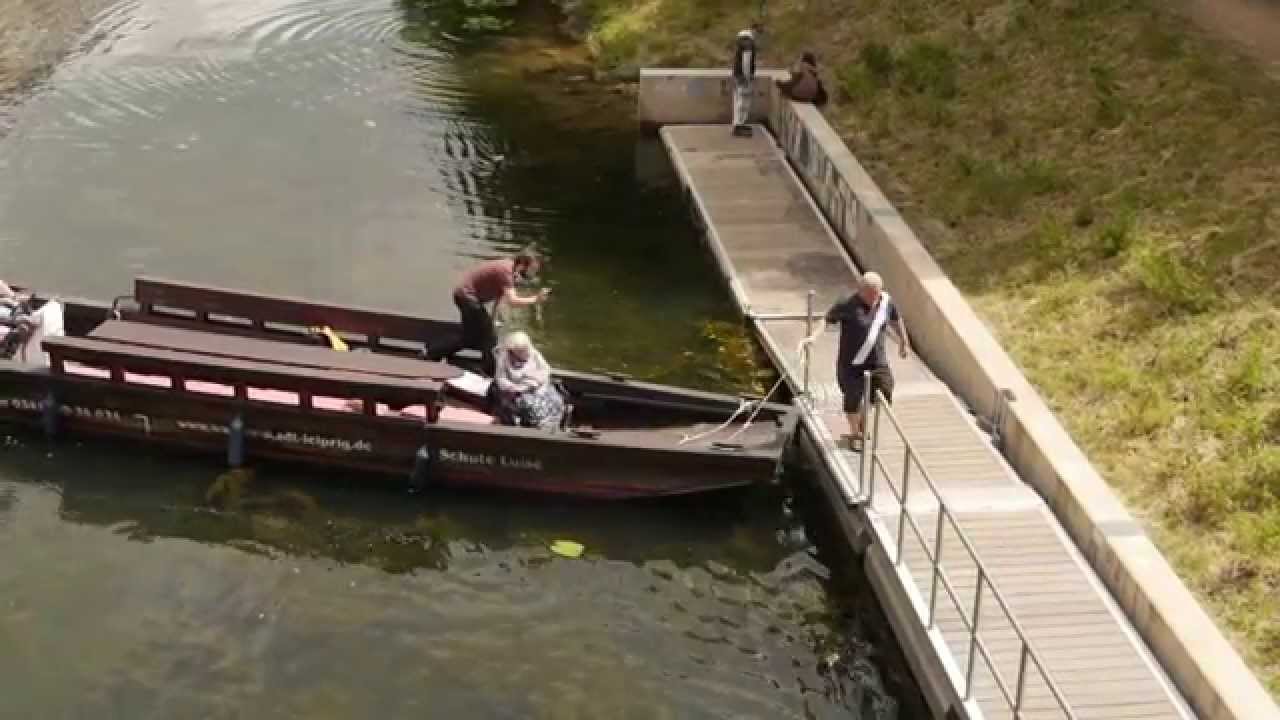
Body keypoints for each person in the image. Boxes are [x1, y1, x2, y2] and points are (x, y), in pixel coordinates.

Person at [798, 272, 910, 449]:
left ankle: (864, 421)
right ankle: (855, 433)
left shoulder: (886, 302)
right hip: (851, 363)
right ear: (860, 291)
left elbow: (896, 320)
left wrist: (904, 342)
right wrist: (813, 337)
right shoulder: (847, 304)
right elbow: (827, 320)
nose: (875, 298)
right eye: (871, 295)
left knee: (885, 390)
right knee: (852, 398)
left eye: (877, 294)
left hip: (877, 360)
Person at [426, 250, 550, 375]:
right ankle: (489, 371)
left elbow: (499, 298)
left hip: (468, 298)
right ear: (523, 264)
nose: (533, 273)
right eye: (533, 269)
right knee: (489, 337)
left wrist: (492, 319)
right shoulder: (506, 271)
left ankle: (433, 352)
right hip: (467, 297)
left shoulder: (510, 271)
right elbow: (512, 301)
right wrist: (536, 299)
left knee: (471, 337)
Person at [493, 331, 564, 430]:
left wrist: (535, 382)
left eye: (525, 349)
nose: (525, 352)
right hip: (516, 389)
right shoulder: (504, 357)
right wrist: (513, 387)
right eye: (521, 350)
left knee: (557, 400)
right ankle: (535, 427)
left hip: (536, 386)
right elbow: (500, 378)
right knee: (530, 405)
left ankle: (551, 425)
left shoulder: (534, 354)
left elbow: (546, 370)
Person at [730, 29, 757, 137]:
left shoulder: (740, 49)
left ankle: (738, 124)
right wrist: (747, 79)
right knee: (743, 102)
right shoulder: (747, 49)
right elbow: (746, 65)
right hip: (743, 79)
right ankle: (739, 125)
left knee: (738, 100)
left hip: (738, 77)